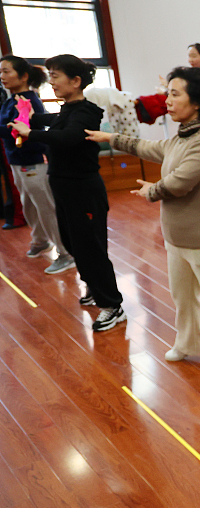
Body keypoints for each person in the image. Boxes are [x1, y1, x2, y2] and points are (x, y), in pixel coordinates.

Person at [86, 67, 200, 394]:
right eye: (168, 93)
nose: (167, 100)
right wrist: (111, 138)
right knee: (183, 299)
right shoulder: (182, 136)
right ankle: (189, 342)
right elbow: (152, 150)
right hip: (177, 241)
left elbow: (180, 183)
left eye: (175, 94)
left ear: (197, 102)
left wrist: (152, 190)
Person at [11, 54, 125, 331]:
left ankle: (112, 305)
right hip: (63, 188)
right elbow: (49, 120)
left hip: (84, 190)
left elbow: (69, 137)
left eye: (56, 75)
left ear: (75, 81)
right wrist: (28, 114)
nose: (52, 81)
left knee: (92, 248)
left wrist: (30, 133)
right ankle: (94, 288)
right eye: (50, 75)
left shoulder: (86, 112)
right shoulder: (67, 110)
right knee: (74, 244)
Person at [0, 55, 73, 274]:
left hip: (33, 162)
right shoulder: (11, 99)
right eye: (1, 72)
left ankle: (66, 253)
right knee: (29, 205)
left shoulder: (28, 101)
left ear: (23, 76)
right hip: (17, 161)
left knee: (46, 208)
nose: (2, 76)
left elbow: (19, 131)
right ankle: (41, 240)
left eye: (6, 71)